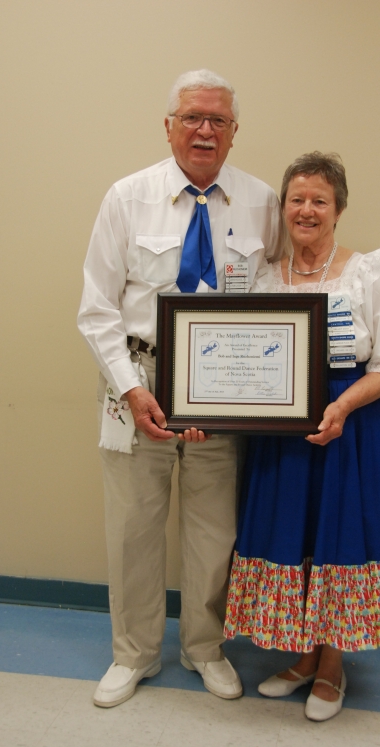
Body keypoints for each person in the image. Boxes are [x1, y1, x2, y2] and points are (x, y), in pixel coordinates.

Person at [77, 69, 281, 708]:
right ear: (168, 126)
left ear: (234, 131)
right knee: (133, 528)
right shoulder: (127, 197)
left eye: (218, 120)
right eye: (192, 117)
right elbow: (96, 309)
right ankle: (133, 654)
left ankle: (204, 648)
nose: (204, 130)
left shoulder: (262, 201)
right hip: (138, 384)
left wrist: (257, 388)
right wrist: (130, 390)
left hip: (226, 391)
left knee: (214, 531)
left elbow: (277, 299)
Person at [224, 152, 380, 721]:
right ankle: (305, 658)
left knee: (341, 537)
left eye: (320, 200)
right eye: (297, 199)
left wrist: (341, 405)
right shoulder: (265, 277)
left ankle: (333, 665)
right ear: (283, 208)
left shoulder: (369, 273)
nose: (307, 210)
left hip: (352, 428)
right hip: (282, 436)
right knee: (299, 536)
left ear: (338, 209)